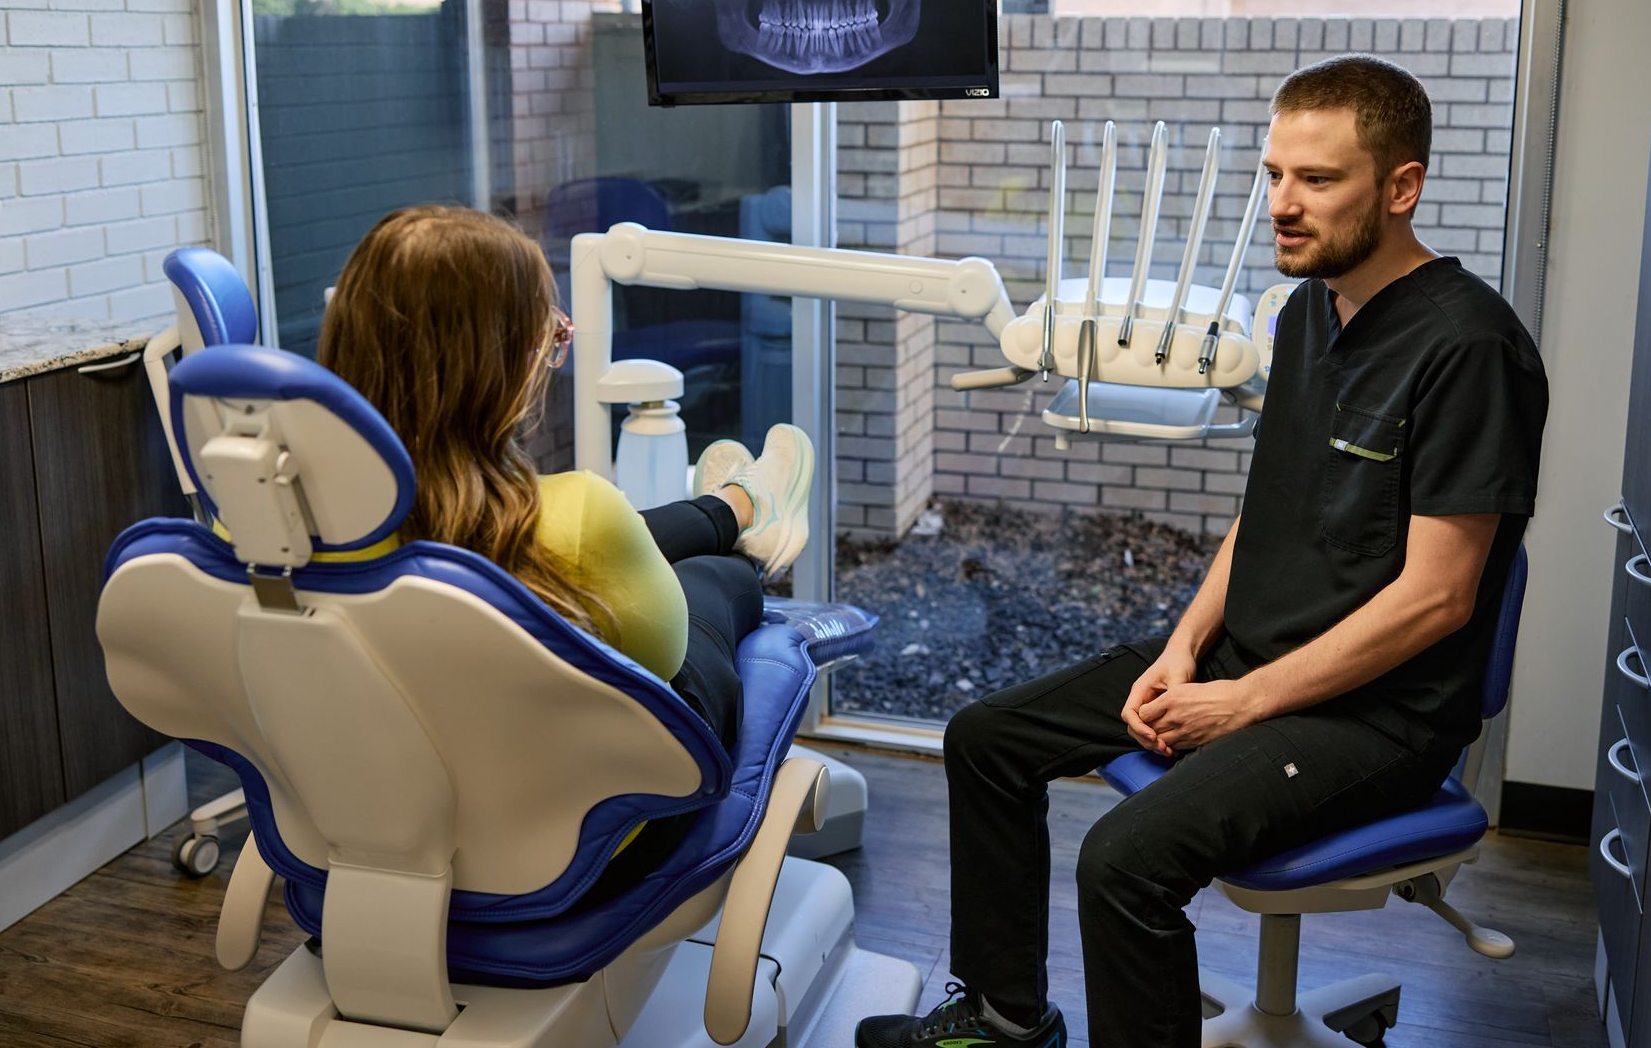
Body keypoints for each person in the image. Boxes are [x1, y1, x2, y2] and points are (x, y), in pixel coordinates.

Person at [856, 54, 1549, 1048]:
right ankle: (1006, 1020)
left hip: (1374, 719)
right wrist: (1181, 651)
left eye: (1318, 180)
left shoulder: (1470, 349)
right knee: (987, 740)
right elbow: (1260, 513)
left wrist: (1241, 702)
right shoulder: (1309, 311)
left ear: (1402, 187)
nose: (1283, 205)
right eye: (1274, 175)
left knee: (1123, 863)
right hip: (1248, 663)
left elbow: (1437, 601)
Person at [317, 203, 812, 759]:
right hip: (601, 824)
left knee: (600, 546)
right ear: (500, 370)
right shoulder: (577, 512)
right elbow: (664, 661)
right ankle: (748, 516)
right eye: (548, 342)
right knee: (713, 573)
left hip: (378, 795)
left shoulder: (281, 531)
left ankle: (729, 507)